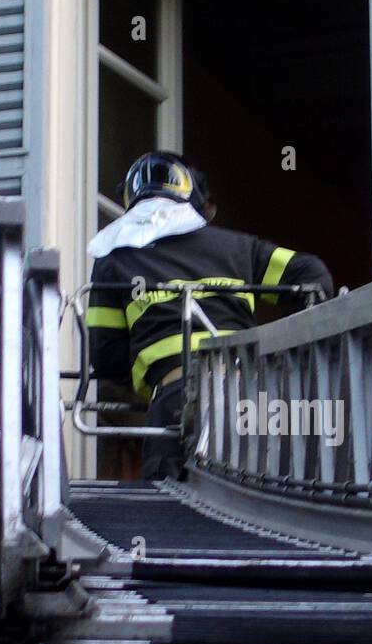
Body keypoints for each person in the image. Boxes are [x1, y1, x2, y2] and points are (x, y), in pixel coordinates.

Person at [86, 151, 334, 479]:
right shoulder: (238, 248)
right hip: (252, 397)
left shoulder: (113, 261)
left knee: (167, 508)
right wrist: (284, 348)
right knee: (261, 498)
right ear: (200, 204)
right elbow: (312, 276)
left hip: (174, 399)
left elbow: (107, 359)